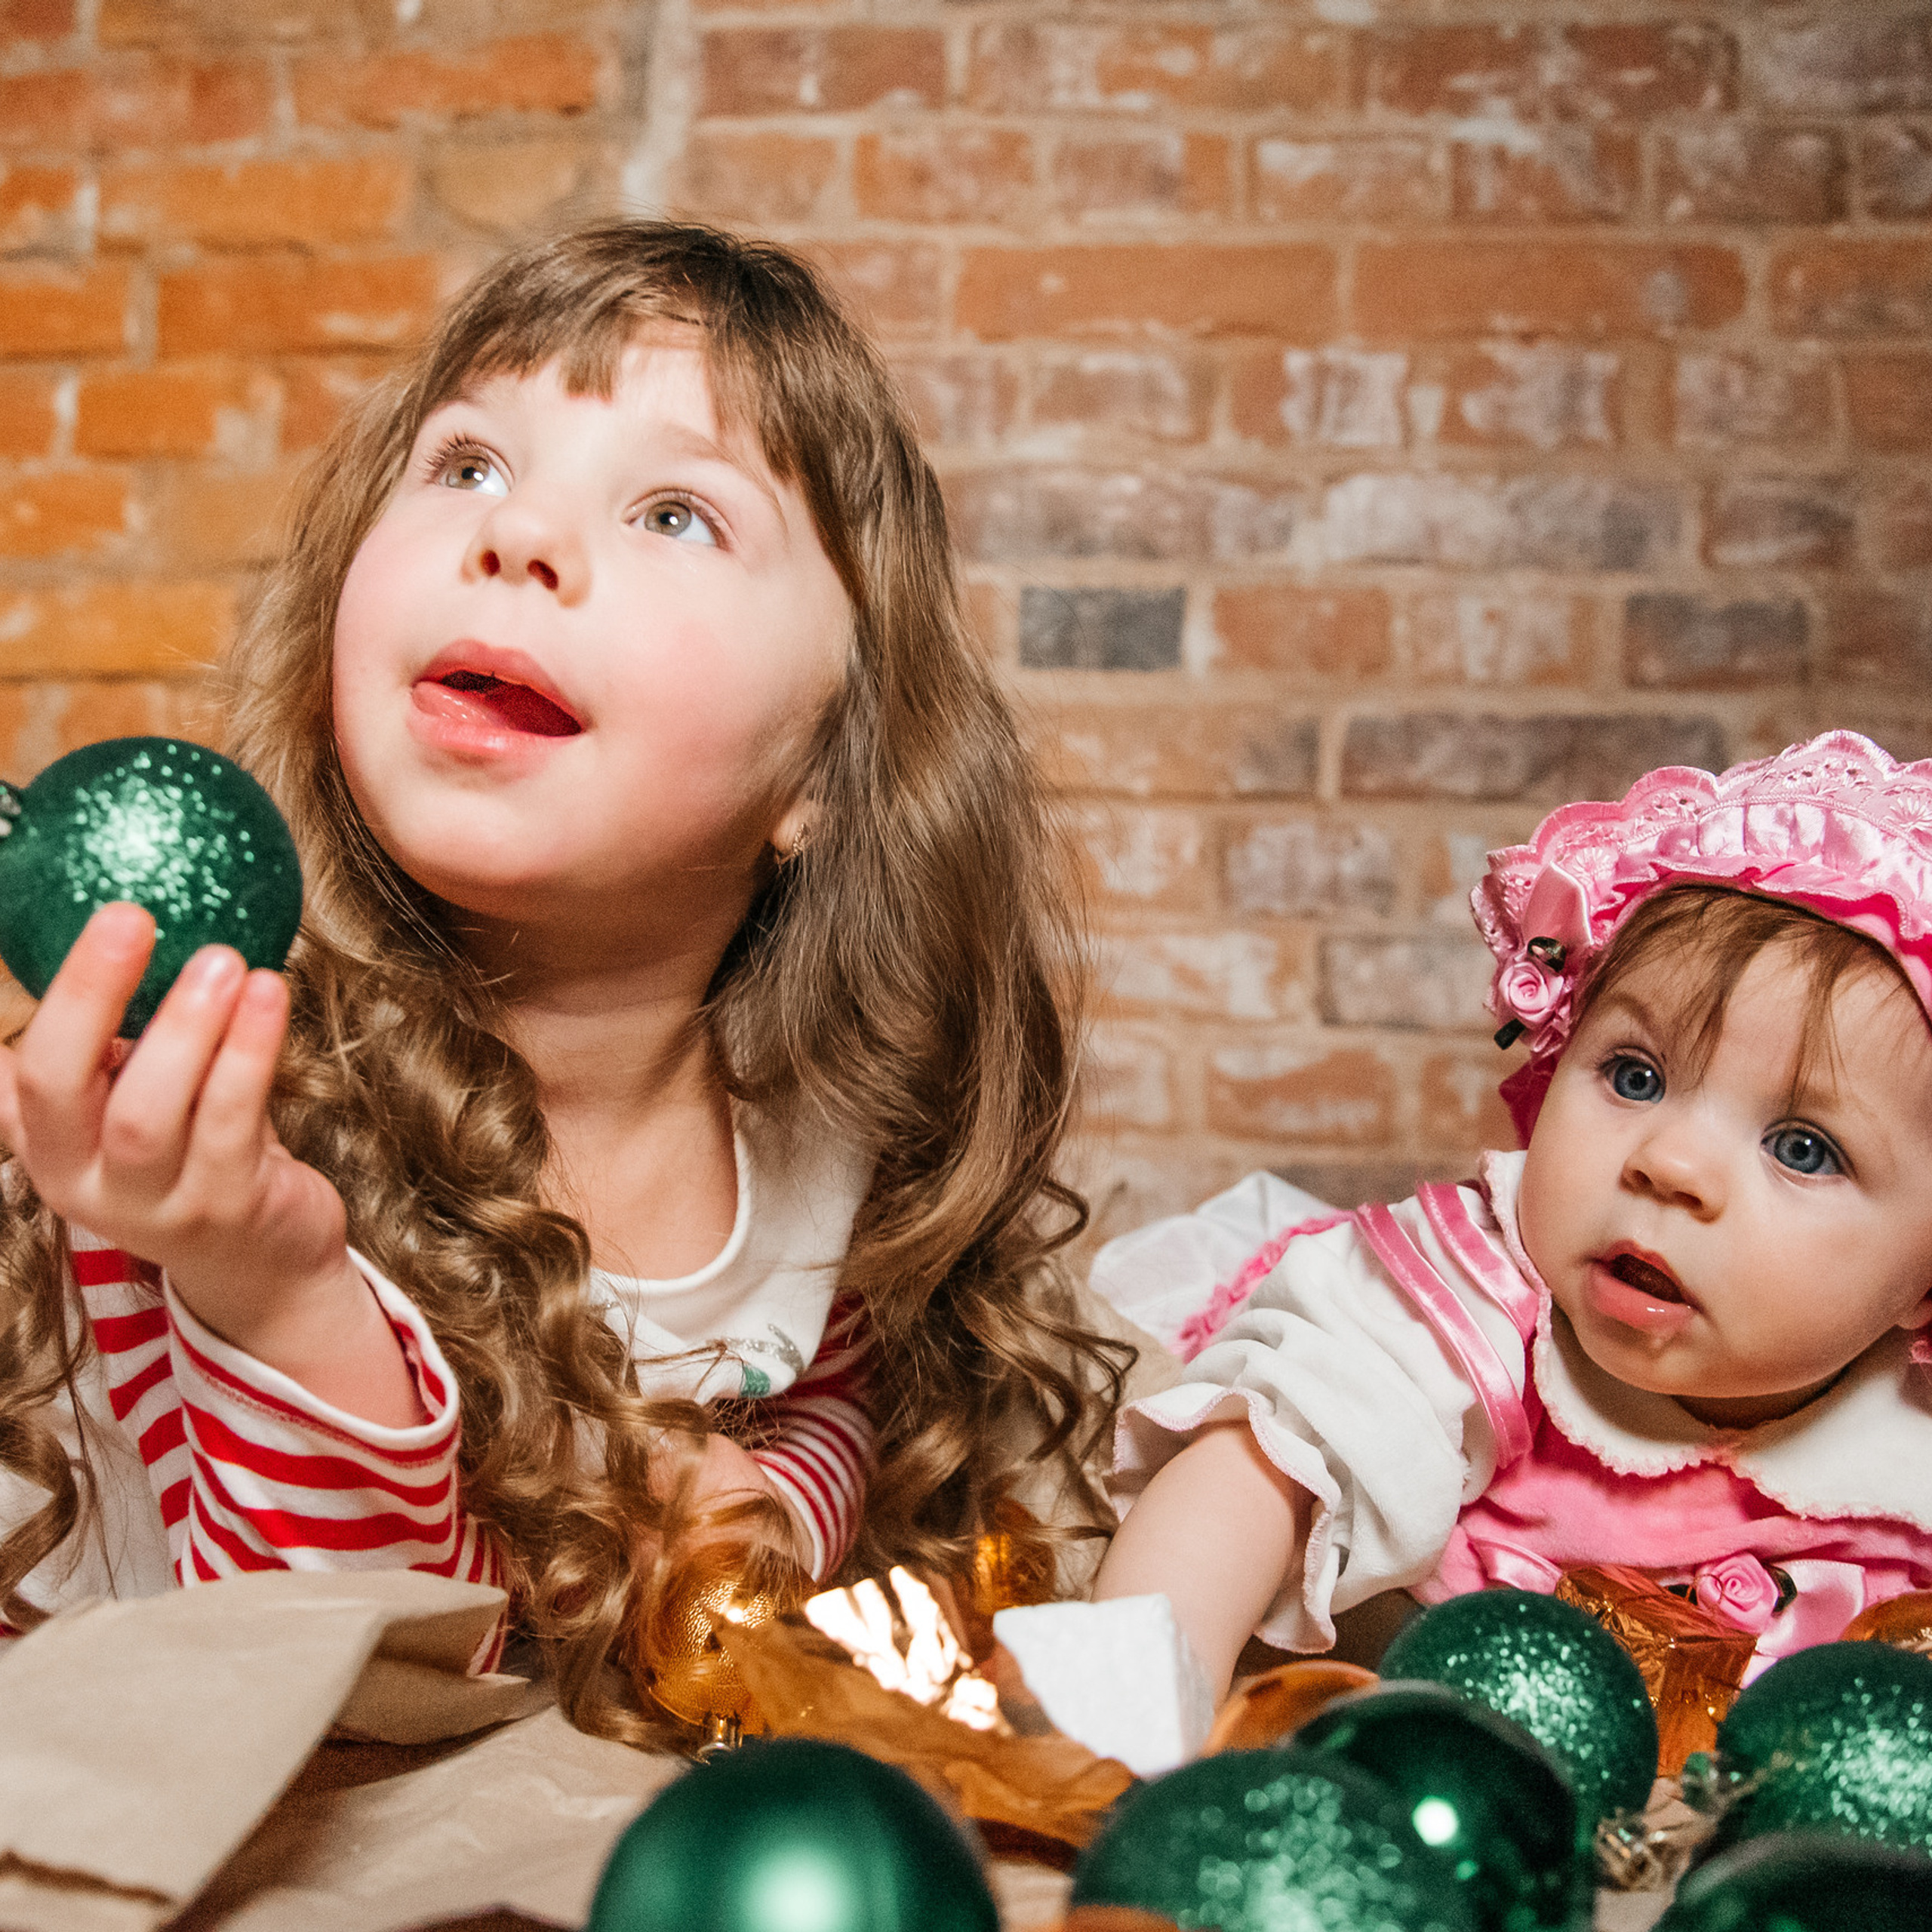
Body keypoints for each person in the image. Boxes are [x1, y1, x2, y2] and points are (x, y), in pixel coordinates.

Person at [0, 222, 1124, 1734]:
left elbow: (822, 1402)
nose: (517, 535)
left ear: (829, 773)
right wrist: (270, 1283)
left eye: (673, 512)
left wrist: (760, 1516)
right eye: (465, 465)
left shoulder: (813, 1148)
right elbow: (357, 1698)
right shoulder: (200, 1118)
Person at [1091, 731, 1932, 1700]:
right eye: (1635, 1075)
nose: (1668, 1165)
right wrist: (1125, 1726)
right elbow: (1250, 1480)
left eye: (1801, 1147)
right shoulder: (1470, 1304)